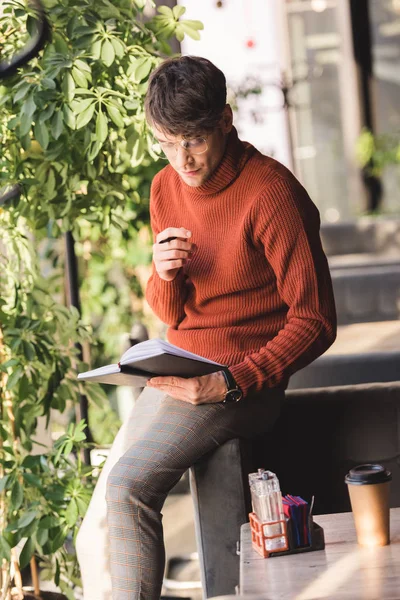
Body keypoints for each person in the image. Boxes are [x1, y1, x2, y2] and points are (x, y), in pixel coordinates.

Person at [76, 55, 336, 600]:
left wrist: (230, 381)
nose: (181, 159)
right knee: (94, 524)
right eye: (166, 142)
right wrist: (163, 274)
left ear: (224, 120)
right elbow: (171, 314)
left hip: (243, 381)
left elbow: (316, 320)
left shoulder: (272, 193)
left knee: (126, 488)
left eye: (191, 139)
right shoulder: (165, 187)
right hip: (181, 365)